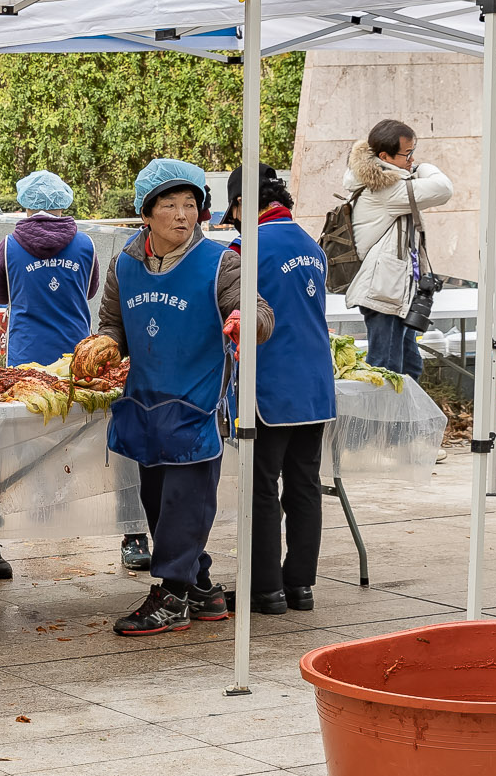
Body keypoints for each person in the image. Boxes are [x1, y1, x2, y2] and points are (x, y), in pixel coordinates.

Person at [75, 159, 270, 637]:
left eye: (191, 205)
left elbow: (258, 310)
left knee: (186, 502)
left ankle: (171, 595)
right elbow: (113, 324)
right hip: (144, 405)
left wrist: (247, 322)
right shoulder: (125, 263)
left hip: (196, 407)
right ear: (147, 213)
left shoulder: (220, 262)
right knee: (158, 503)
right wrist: (104, 344)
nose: (183, 215)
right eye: (170, 205)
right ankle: (201, 588)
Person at [225, 165, 331, 615]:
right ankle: (300, 586)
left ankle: (265, 590)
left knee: (262, 486)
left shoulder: (243, 250)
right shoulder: (312, 245)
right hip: (316, 384)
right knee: (306, 485)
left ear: (243, 205)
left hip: (267, 383)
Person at [339, 119, 451, 381]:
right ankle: (383, 422)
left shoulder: (388, 181)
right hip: (383, 294)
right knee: (385, 369)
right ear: (384, 156)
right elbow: (444, 189)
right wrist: (423, 167)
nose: (412, 160)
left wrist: (411, 166)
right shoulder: (385, 189)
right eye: (407, 154)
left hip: (395, 292)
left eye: (414, 152)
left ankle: (402, 422)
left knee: (409, 367)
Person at [0, 170, 96, 368]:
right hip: (74, 355)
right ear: (62, 201)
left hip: (26, 355)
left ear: (26, 201)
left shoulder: (9, 246)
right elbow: (89, 292)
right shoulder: (86, 245)